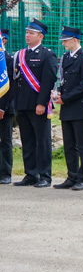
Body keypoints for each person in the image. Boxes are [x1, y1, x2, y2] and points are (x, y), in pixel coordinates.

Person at [12, 19, 57, 188]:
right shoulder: (21, 54)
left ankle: (45, 176)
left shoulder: (47, 55)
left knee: (42, 141)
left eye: (31, 33)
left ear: (41, 36)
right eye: (27, 32)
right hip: (23, 104)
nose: (27, 35)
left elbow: (48, 81)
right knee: (28, 141)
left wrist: (42, 103)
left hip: (38, 105)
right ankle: (30, 174)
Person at [53, 26, 83, 191]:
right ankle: (72, 176)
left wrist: (65, 98)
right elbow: (64, 81)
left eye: (66, 40)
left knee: (82, 145)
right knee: (69, 144)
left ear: (75, 40)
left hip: (79, 107)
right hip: (67, 107)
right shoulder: (65, 58)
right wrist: (58, 94)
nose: (63, 43)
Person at [0, 28, 15, 185]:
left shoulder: (8, 60)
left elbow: (9, 87)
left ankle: (5, 173)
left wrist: (2, 108)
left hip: (3, 108)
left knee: (4, 140)